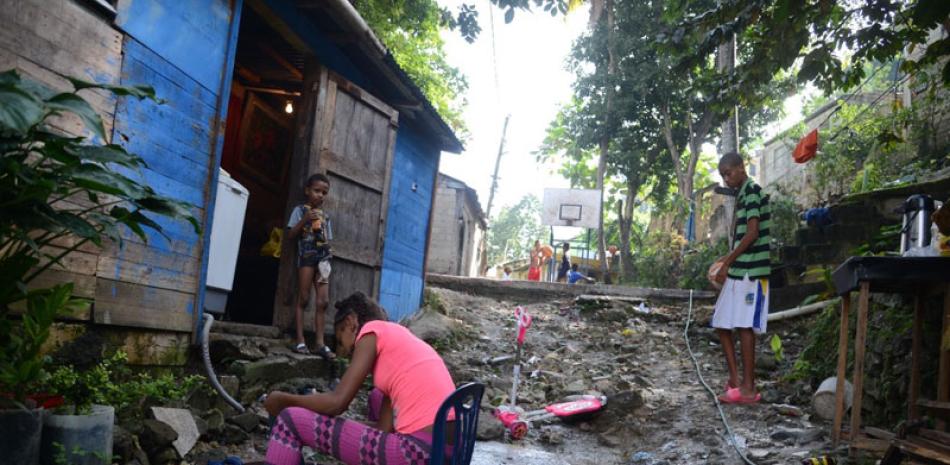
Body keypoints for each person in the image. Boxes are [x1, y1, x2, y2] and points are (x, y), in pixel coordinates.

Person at [262, 292, 456, 465]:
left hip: (416, 452)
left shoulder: (371, 332)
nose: (343, 351)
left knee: (289, 420)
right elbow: (383, 429)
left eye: (340, 340)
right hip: (448, 453)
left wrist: (283, 400)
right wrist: (335, 425)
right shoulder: (399, 339)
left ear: (350, 323)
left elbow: (337, 402)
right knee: (376, 398)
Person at [711, 152, 771, 404]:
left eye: (729, 173)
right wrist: (726, 262)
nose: (726, 179)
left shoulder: (752, 191)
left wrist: (727, 261)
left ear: (741, 167)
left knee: (745, 327)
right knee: (722, 323)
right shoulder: (742, 194)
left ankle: (748, 388)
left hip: (753, 272)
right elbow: (742, 238)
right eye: (723, 175)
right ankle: (735, 381)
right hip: (740, 270)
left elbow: (752, 234)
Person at [286, 173, 334, 358]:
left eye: (324, 192)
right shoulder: (299, 210)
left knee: (323, 301)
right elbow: (291, 235)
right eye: (316, 191)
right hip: (306, 258)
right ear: (307, 191)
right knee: (304, 299)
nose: (320, 195)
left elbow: (327, 239)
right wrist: (305, 219)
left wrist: (329, 252)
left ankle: (320, 344)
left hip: (322, 259)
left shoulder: (326, 216)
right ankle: (300, 341)